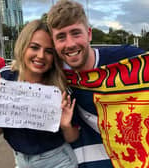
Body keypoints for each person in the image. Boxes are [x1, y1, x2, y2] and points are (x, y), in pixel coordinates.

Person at [47, 0, 145, 167]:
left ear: (89, 34)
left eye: (76, 33)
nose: (70, 44)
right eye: (61, 37)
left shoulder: (128, 59)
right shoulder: (55, 78)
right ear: (53, 43)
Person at [0, 19, 79, 168]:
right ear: (23, 46)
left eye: (49, 51)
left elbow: (73, 137)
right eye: (34, 47)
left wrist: (66, 126)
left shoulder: (60, 86)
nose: (41, 55)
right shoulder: (5, 78)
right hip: (21, 161)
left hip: (58, 161)